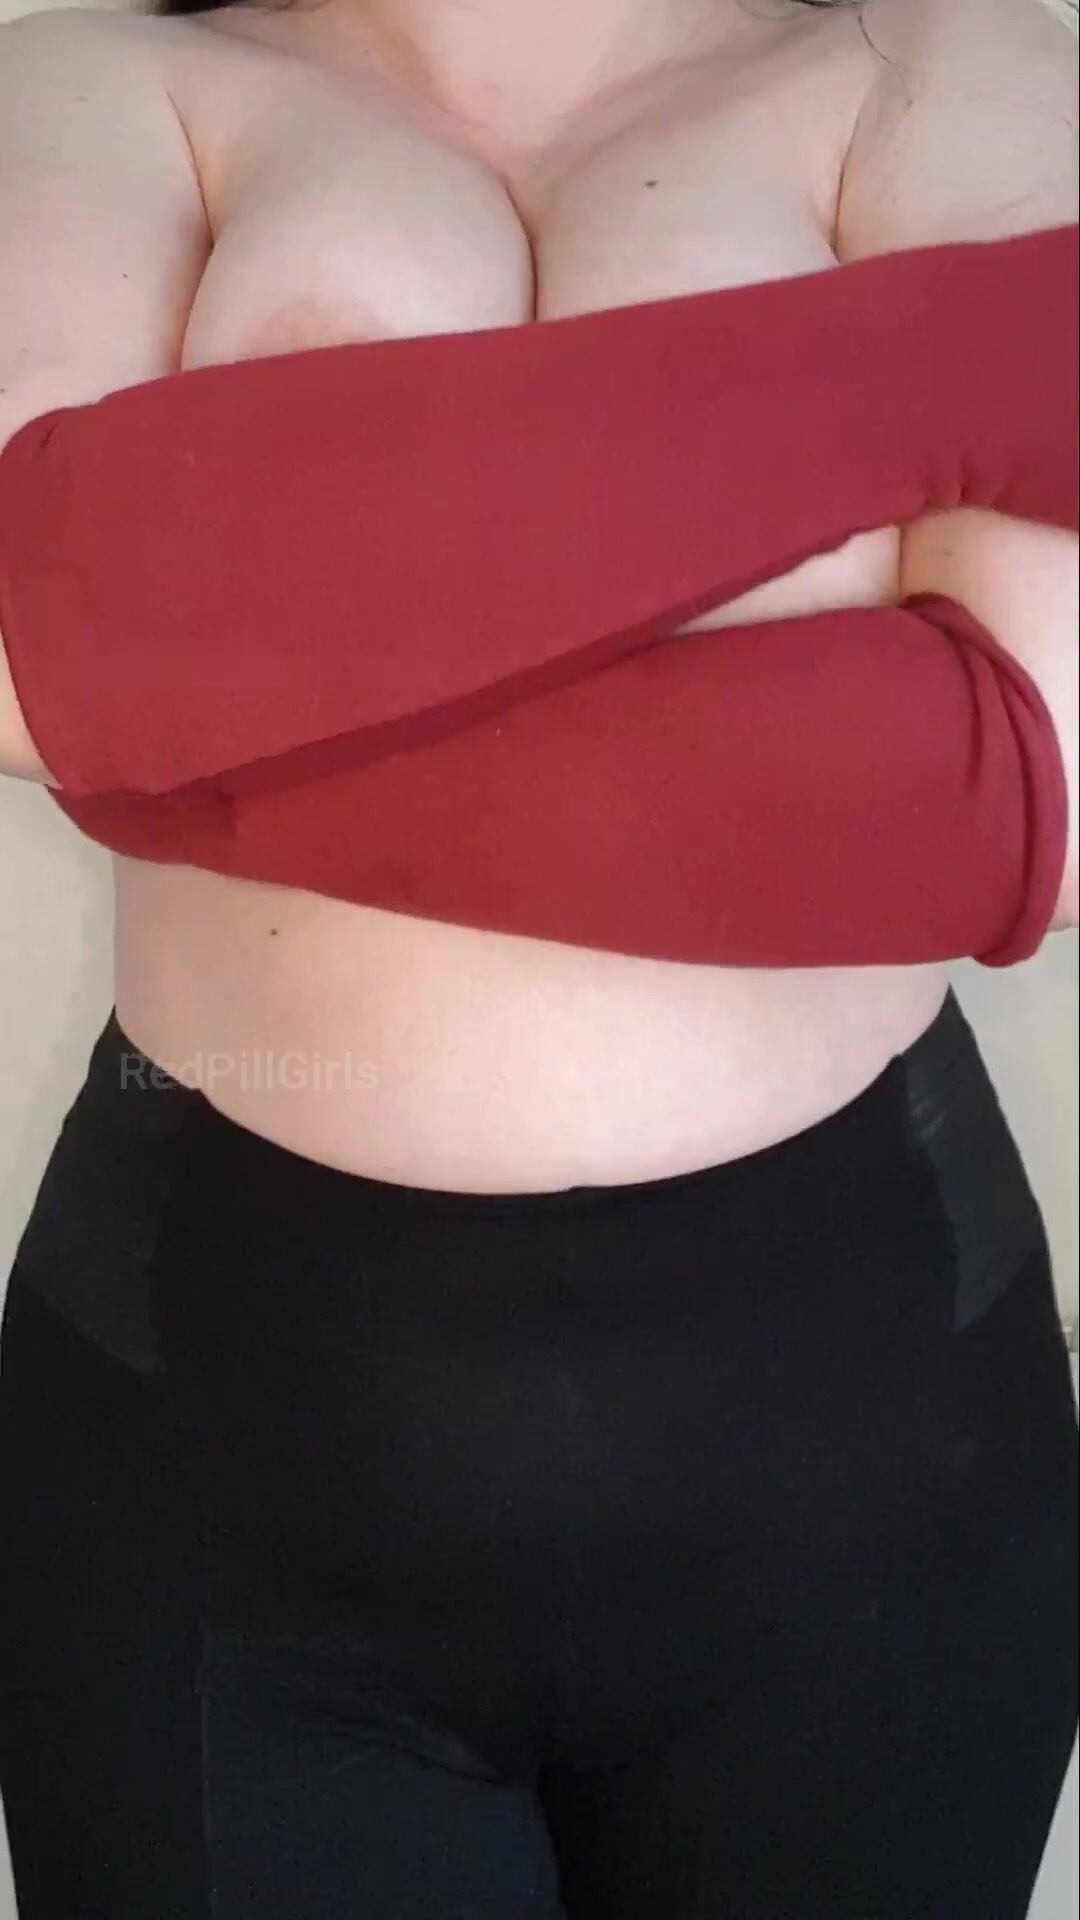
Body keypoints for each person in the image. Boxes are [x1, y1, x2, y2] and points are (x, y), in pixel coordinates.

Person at [0, 0, 1076, 1914]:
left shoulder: (948, 59)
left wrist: (192, 691)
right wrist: (949, 375)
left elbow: (1027, 785)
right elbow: (34, 640)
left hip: (870, 1437)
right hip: (217, 1434)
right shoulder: (78, 81)